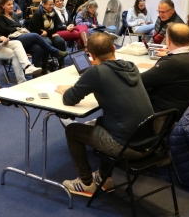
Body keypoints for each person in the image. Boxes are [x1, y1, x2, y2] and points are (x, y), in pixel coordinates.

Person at [55, 33, 154, 197]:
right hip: (151, 142)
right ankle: (104, 178)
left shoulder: (96, 72)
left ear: (91, 56)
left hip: (128, 147)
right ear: (114, 49)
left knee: (72, 130)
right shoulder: (131, 66)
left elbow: (69, 99)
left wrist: (67, 89)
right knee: (102, 121)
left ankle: (86, 183)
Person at [140, 23, 189, 118]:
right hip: (184, 108)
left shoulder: (173, 62)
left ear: (168, 41)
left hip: (164, 113)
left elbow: (141, 80)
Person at [0, 0, 68, 73]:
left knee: (38, 48)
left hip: (20, 36)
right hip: (10, 40)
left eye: (12, 4)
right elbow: (4, 30)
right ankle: (55, 52)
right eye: (9, 4)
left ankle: (37, 73)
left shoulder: (14, 15)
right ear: (2, 6)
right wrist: (16, 28)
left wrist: (18, 28)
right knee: (35, 36)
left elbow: (19, 26)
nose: (12, 6)